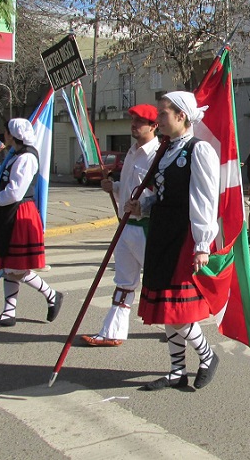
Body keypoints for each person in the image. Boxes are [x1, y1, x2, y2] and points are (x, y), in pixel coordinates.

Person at [131, 91, 221, 391]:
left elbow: (204, 199)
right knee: (166, 308)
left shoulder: (199, 150)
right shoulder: (165, 149)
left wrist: (201, 245)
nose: (158, 118)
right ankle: (177, 370)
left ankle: (207, 356)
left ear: (181, 115)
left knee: (177, 310)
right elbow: (161, 194)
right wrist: (142, 206)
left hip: (183, 236)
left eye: (163, 113)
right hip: (160, 232)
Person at [81, 104, 160, 347]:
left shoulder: (159, 154)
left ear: (154, 126)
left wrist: (144, 206)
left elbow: (163, 194)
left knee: (163, 282)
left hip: (148, 228)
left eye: (140, 121)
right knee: (124, 282)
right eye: (133, 120)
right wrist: (113, 188)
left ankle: (185, 325)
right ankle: (112, 331)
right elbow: (129, 188)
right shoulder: (132, 153)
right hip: (126, 226)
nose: (134, 125)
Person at [0, 118, 63, 328]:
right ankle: (9, 312)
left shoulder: (26, 157)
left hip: (18, 214)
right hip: (10, 213)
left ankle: (51, 294)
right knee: (9, 267)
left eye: (6, 132)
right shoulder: (16, 155)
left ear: (13, 135)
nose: (4, 136)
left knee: (16, 267)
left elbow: (15, 191)